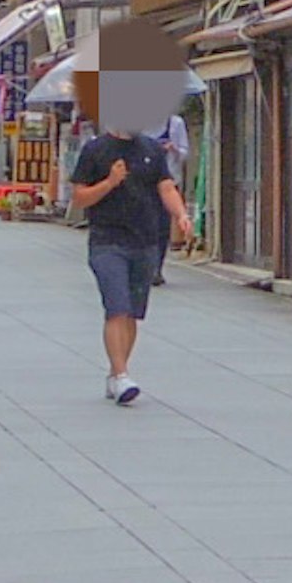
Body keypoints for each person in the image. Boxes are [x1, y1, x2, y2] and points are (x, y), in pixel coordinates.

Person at [66, 33, 192, 405]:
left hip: (145, 240)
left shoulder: (151, 150)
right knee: (116, 306)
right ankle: (121, 375)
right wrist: (110, 182)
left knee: (132, 313)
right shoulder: (96, 150)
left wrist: (181, 215)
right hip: (107, 240)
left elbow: (166, 187)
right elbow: (79, 197)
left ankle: (116, 371)